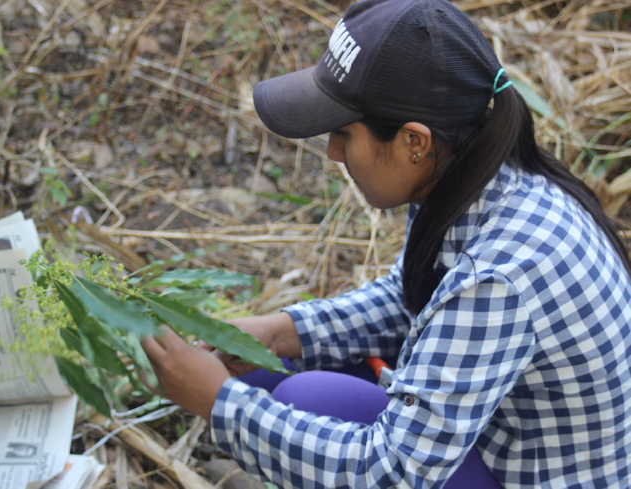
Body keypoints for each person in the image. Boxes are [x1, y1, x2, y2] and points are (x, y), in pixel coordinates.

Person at [141, 0, 631, 487]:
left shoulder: (499, 275)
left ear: (414, 142)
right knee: (268, 373)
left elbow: (391, 472)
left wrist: (220, 405)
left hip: (526, 474)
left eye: (343, 133)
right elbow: (413, 303)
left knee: (303, 400)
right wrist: (284, 331)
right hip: (497, 438)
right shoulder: (470, 174)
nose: (333, 152)